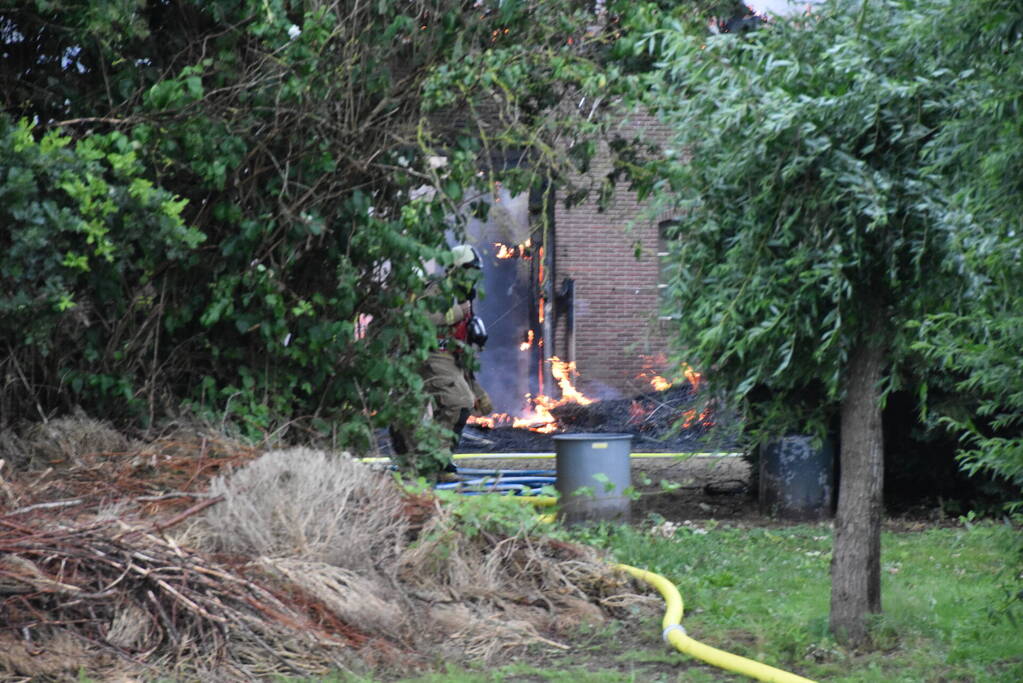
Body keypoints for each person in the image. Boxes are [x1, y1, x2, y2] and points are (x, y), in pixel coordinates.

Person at [391, 244, 493, 480]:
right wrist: (459, 311)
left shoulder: (463, 299)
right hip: (423, 356)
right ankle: (417, 466)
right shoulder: (436, 292)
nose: (473, 277)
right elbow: (422, 318)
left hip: (448, 360)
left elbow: (461, 347)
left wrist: (478, 390)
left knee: (462, 403)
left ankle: (438, 462)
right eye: (470, 270)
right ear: (455, 269)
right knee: (412, 414)